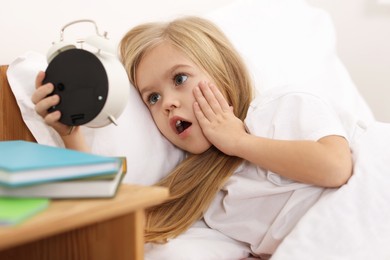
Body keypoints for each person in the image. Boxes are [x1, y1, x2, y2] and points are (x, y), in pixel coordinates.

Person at [32, 16, 353, 259]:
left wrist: (238, 141)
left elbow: (336, 167)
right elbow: (110, 219)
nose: (168, 101)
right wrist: (71, 135)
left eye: (180, 79)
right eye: (153, 98)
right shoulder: (202, 194)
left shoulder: (280, 109)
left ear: (222, 70)